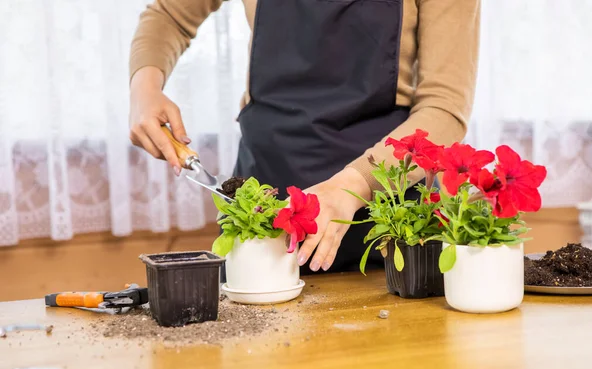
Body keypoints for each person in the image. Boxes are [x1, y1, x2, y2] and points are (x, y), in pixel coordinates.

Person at [128, 0, 481, 275]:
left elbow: (444, 109)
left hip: (388, 221)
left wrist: (350, 187)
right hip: (269, 197)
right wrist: (145, 88)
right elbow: (170, 15)